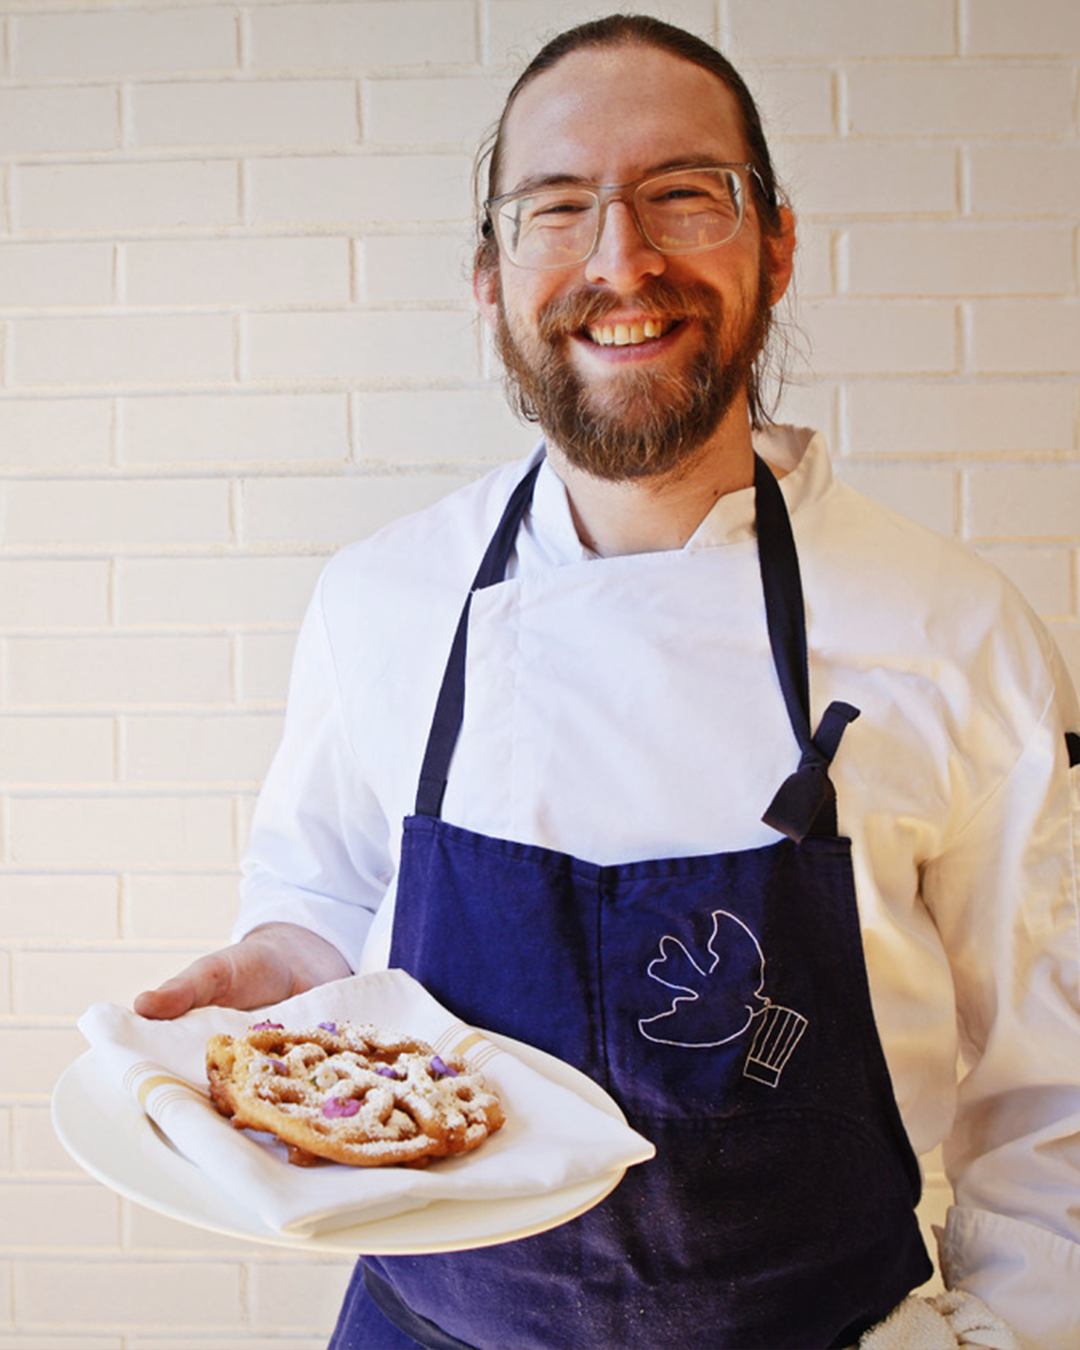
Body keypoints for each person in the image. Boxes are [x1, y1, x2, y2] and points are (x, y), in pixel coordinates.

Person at [136, 14, 1080, 1349]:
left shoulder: (957, 633)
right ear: (491, 278)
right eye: (558, 207)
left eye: (684, 195)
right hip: (430, 1326)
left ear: (779, 245)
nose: (620, 258)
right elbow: (325, 887)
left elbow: (1054, 1095)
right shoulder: (381, 601)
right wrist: (292, 964)